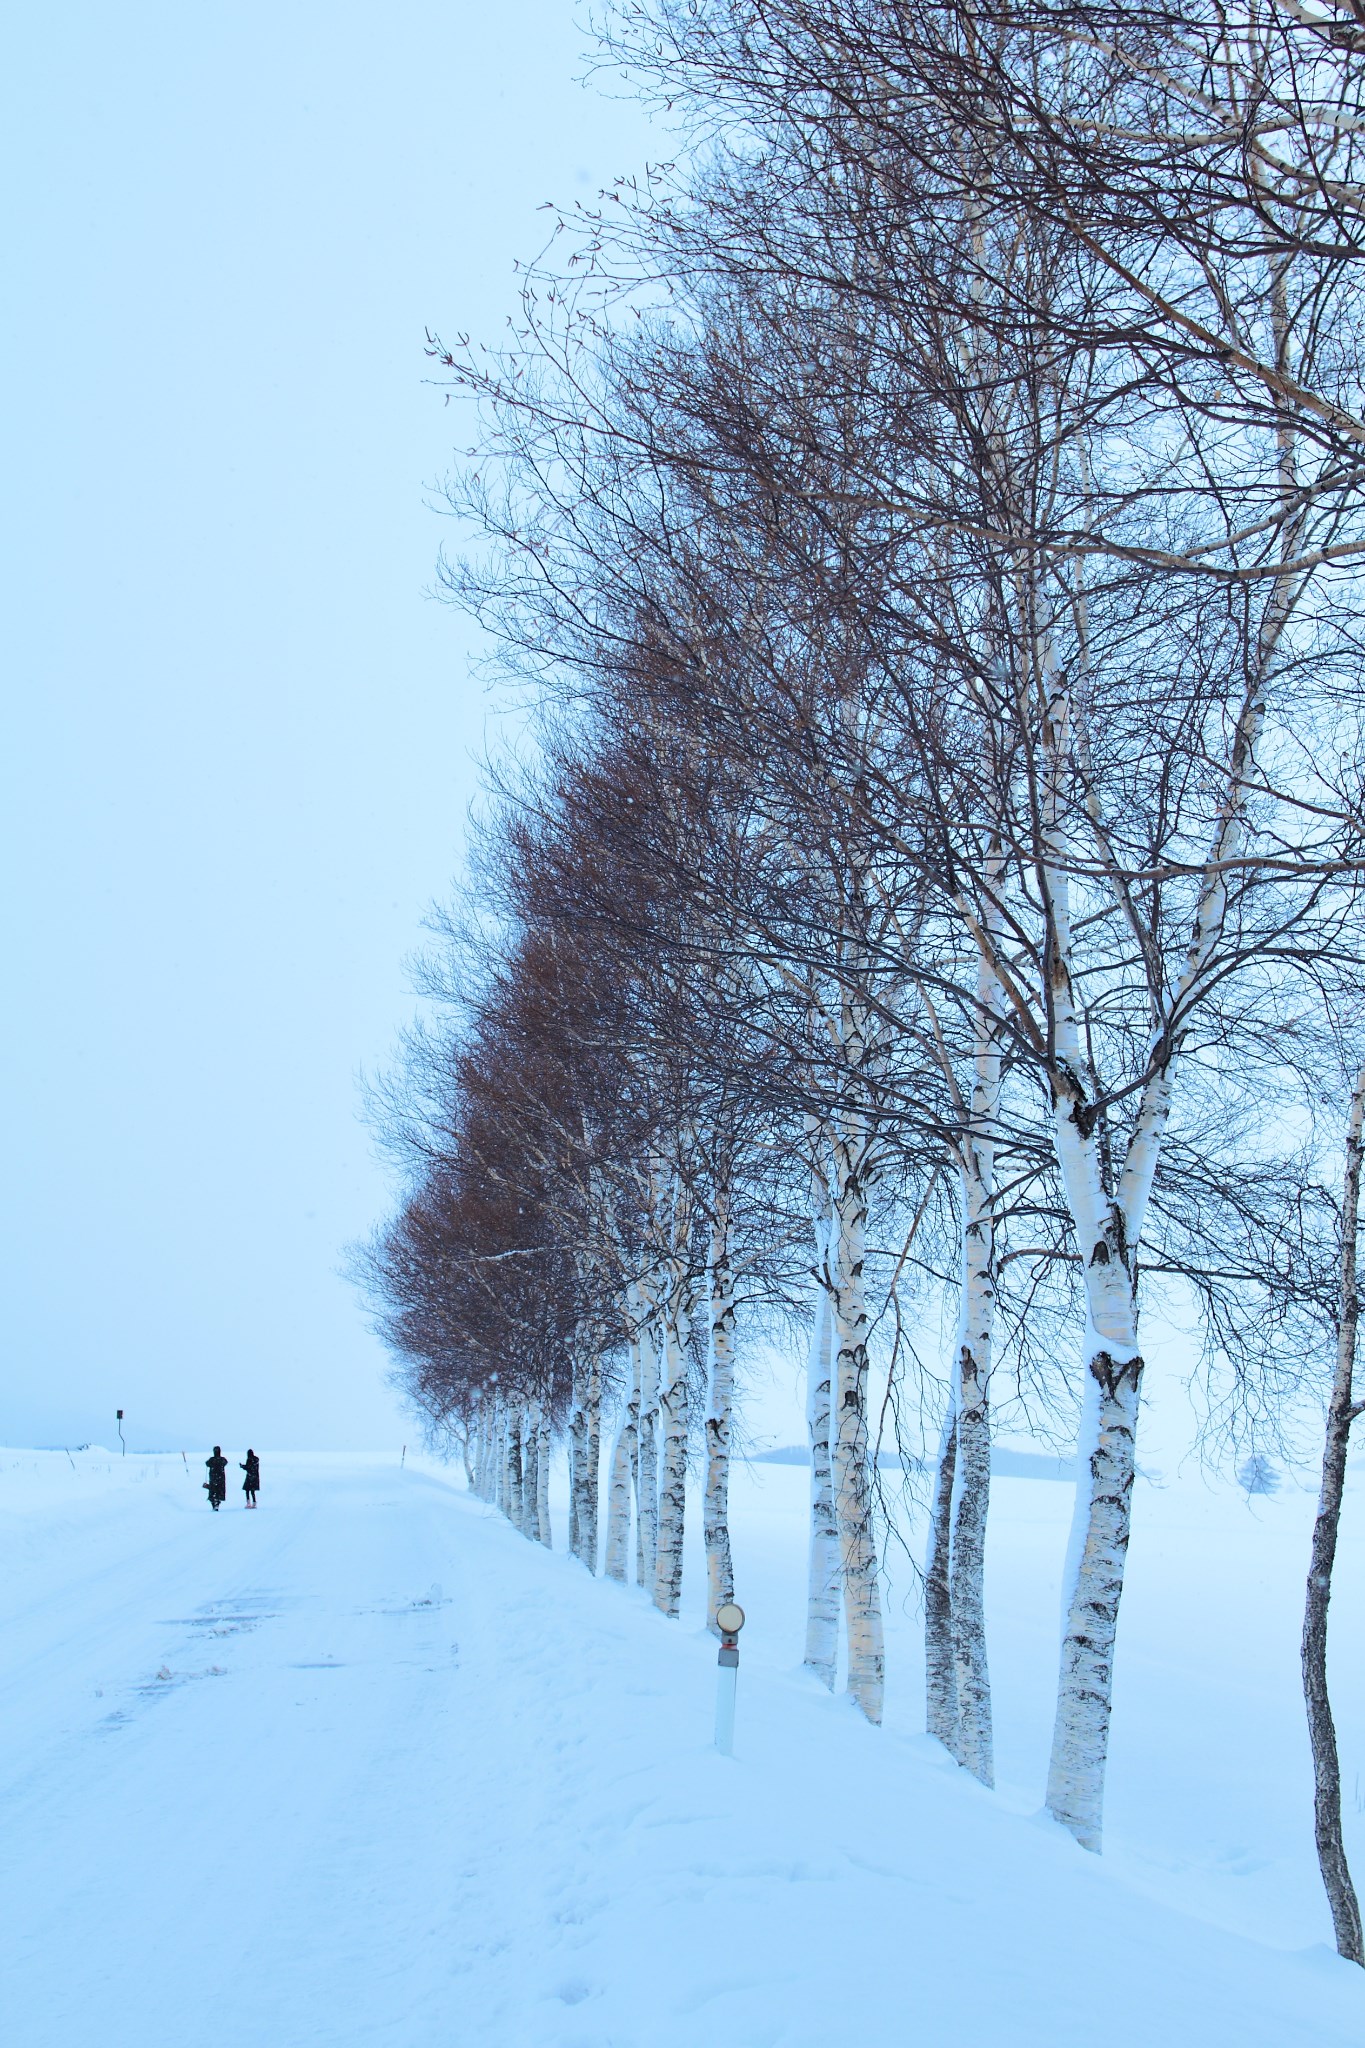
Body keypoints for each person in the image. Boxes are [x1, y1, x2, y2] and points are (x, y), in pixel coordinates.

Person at [204, 1446, 227, 1511]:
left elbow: (207, 1463)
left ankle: (214, 1504)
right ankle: (217, 1504)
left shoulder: (211, 1459)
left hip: (213, 1478)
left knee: (213, 1491)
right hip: (221, 1478)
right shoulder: (222, 1459)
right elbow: (225, 1462)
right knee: (219, 1492)